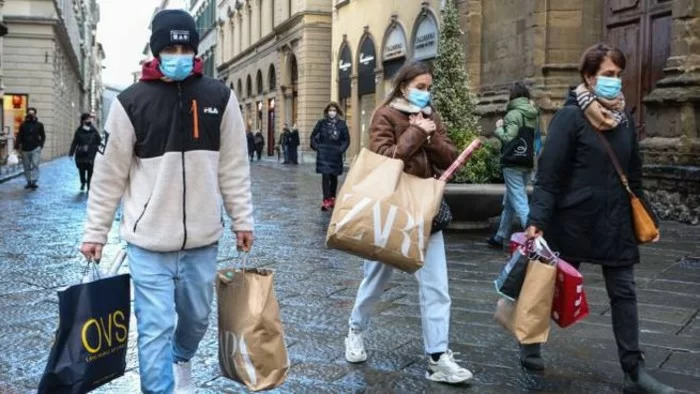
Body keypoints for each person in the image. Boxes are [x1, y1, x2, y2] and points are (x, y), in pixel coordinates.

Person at [79, 9, 254, 394]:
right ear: (157, 51)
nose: (179, 53)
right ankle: (158, 389)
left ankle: (182, 357)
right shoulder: (130, 103)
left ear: (194, 49)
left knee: (196, 319)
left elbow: (235, 167)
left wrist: (243, 220)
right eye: (171, 47)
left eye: (185, 47)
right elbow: (109, 176)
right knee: (154, 326)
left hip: (203, 241)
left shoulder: (220, 98)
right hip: (149, 243)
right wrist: (96, 232)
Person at [525, 43, 673, 393]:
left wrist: (648, 219)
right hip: (573, 219)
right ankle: (529, 341)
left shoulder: (624, 120)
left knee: (624, 292)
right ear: (589, 77)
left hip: (616, 221)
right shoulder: (570, 117)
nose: (615, 81)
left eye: (619, 75)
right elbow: (549, 174)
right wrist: (537, 219)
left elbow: (634, 177)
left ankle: (633, 372)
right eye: (608, 75)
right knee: (550, 284)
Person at [344, 61, 473, 384]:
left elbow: (449, 156)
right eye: (420, 86)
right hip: (389, 209)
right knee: (375, 280)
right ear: (403, 86)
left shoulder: (431, 117)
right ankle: (355, 330)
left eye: (428, 87)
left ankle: (438, 357)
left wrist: (428, 135)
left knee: (437, 287)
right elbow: (384, 157)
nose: (425, 93)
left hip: (424, 211)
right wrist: (416, 132)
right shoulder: (385, 115)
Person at [487, 82, 539, 249]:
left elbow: (509, 138)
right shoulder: (533, 114)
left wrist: (499, 128)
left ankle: (536, 240)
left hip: (512, 163)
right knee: (511, 200)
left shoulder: (513, 114)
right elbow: (537, 139)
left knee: (520, 201)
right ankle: (500, 236)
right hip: (527, 161)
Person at [310, 102, 349, 211]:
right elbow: (313, 136)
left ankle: (332, 197)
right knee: (325, 176)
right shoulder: (321, 123)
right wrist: (317, 147)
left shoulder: (342, 124)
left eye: (334, 110)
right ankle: (326, 199)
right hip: (324, 154)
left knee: (334, 177)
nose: (332, 112)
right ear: (327, 112)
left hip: (335, 154)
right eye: (330, 110)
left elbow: (346, 139)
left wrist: (340, 149)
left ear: (337, 112)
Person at [69, 113, 102, 192]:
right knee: (82, 170)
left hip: (91, 154)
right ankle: (83, 182)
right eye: (87, 119)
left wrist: (100, 151)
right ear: (83, 121)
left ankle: (89, 186)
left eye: (89, 119)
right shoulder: (79, 131)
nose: (89, 120)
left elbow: (99, 141)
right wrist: (71, 153)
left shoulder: (94, 131)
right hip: (81, 154)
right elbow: (74, 142)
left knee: (90, 171)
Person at [14, 107, 45, 189]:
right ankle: (28, 181)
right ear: (27, 114)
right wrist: (17, 146)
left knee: (35, 164)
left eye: (32, 113)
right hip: (25, 149)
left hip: (35, 148)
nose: (31, 114)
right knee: (26, 166)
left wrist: (40, 145)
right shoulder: (23, 125)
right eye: (29, 113)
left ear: (35, 114)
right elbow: (19, 136)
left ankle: (34, 181)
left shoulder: (39, 125)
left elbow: (43, 136)